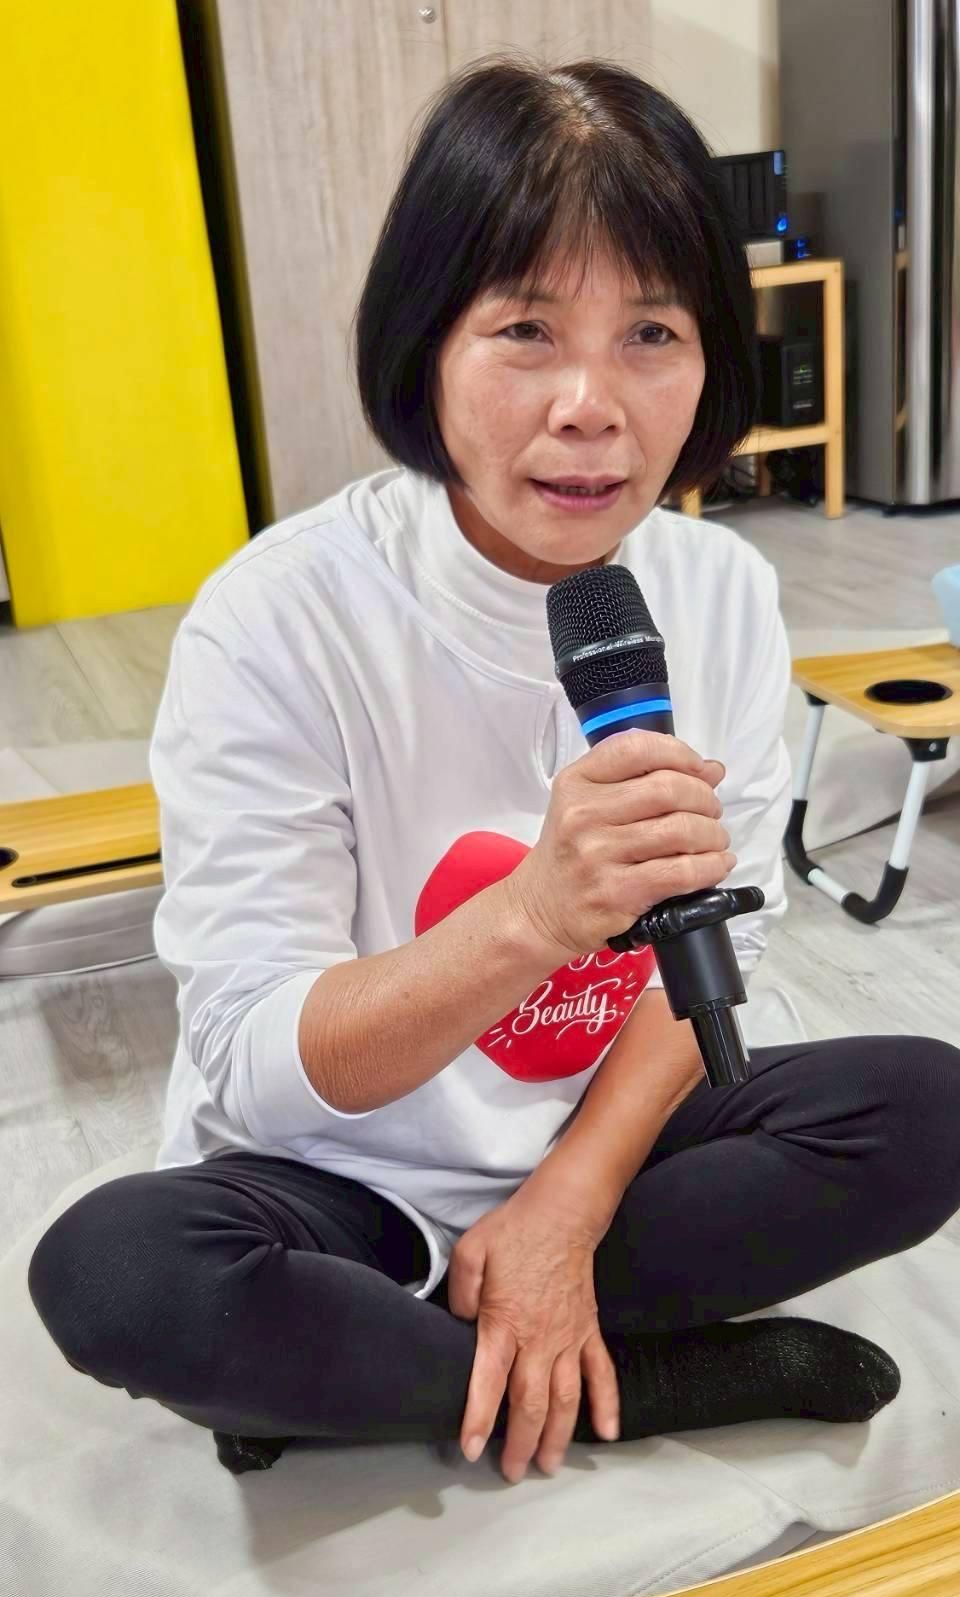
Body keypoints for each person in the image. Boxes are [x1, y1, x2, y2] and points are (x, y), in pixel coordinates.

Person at [29, 56, 960, 1485]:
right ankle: (650, 1377)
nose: (591, 404)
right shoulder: (279, 618)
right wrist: (533, 916)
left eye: (651, 332)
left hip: (600, 1147)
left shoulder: (717, 591)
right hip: (338, 1179)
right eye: (526, 329)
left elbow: (725, 944)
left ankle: (411, 1370)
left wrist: (568, 1203)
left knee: (928, 1108)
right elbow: (259, 1066)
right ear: (426, 343)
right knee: (123, 1274)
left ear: (714, 359)